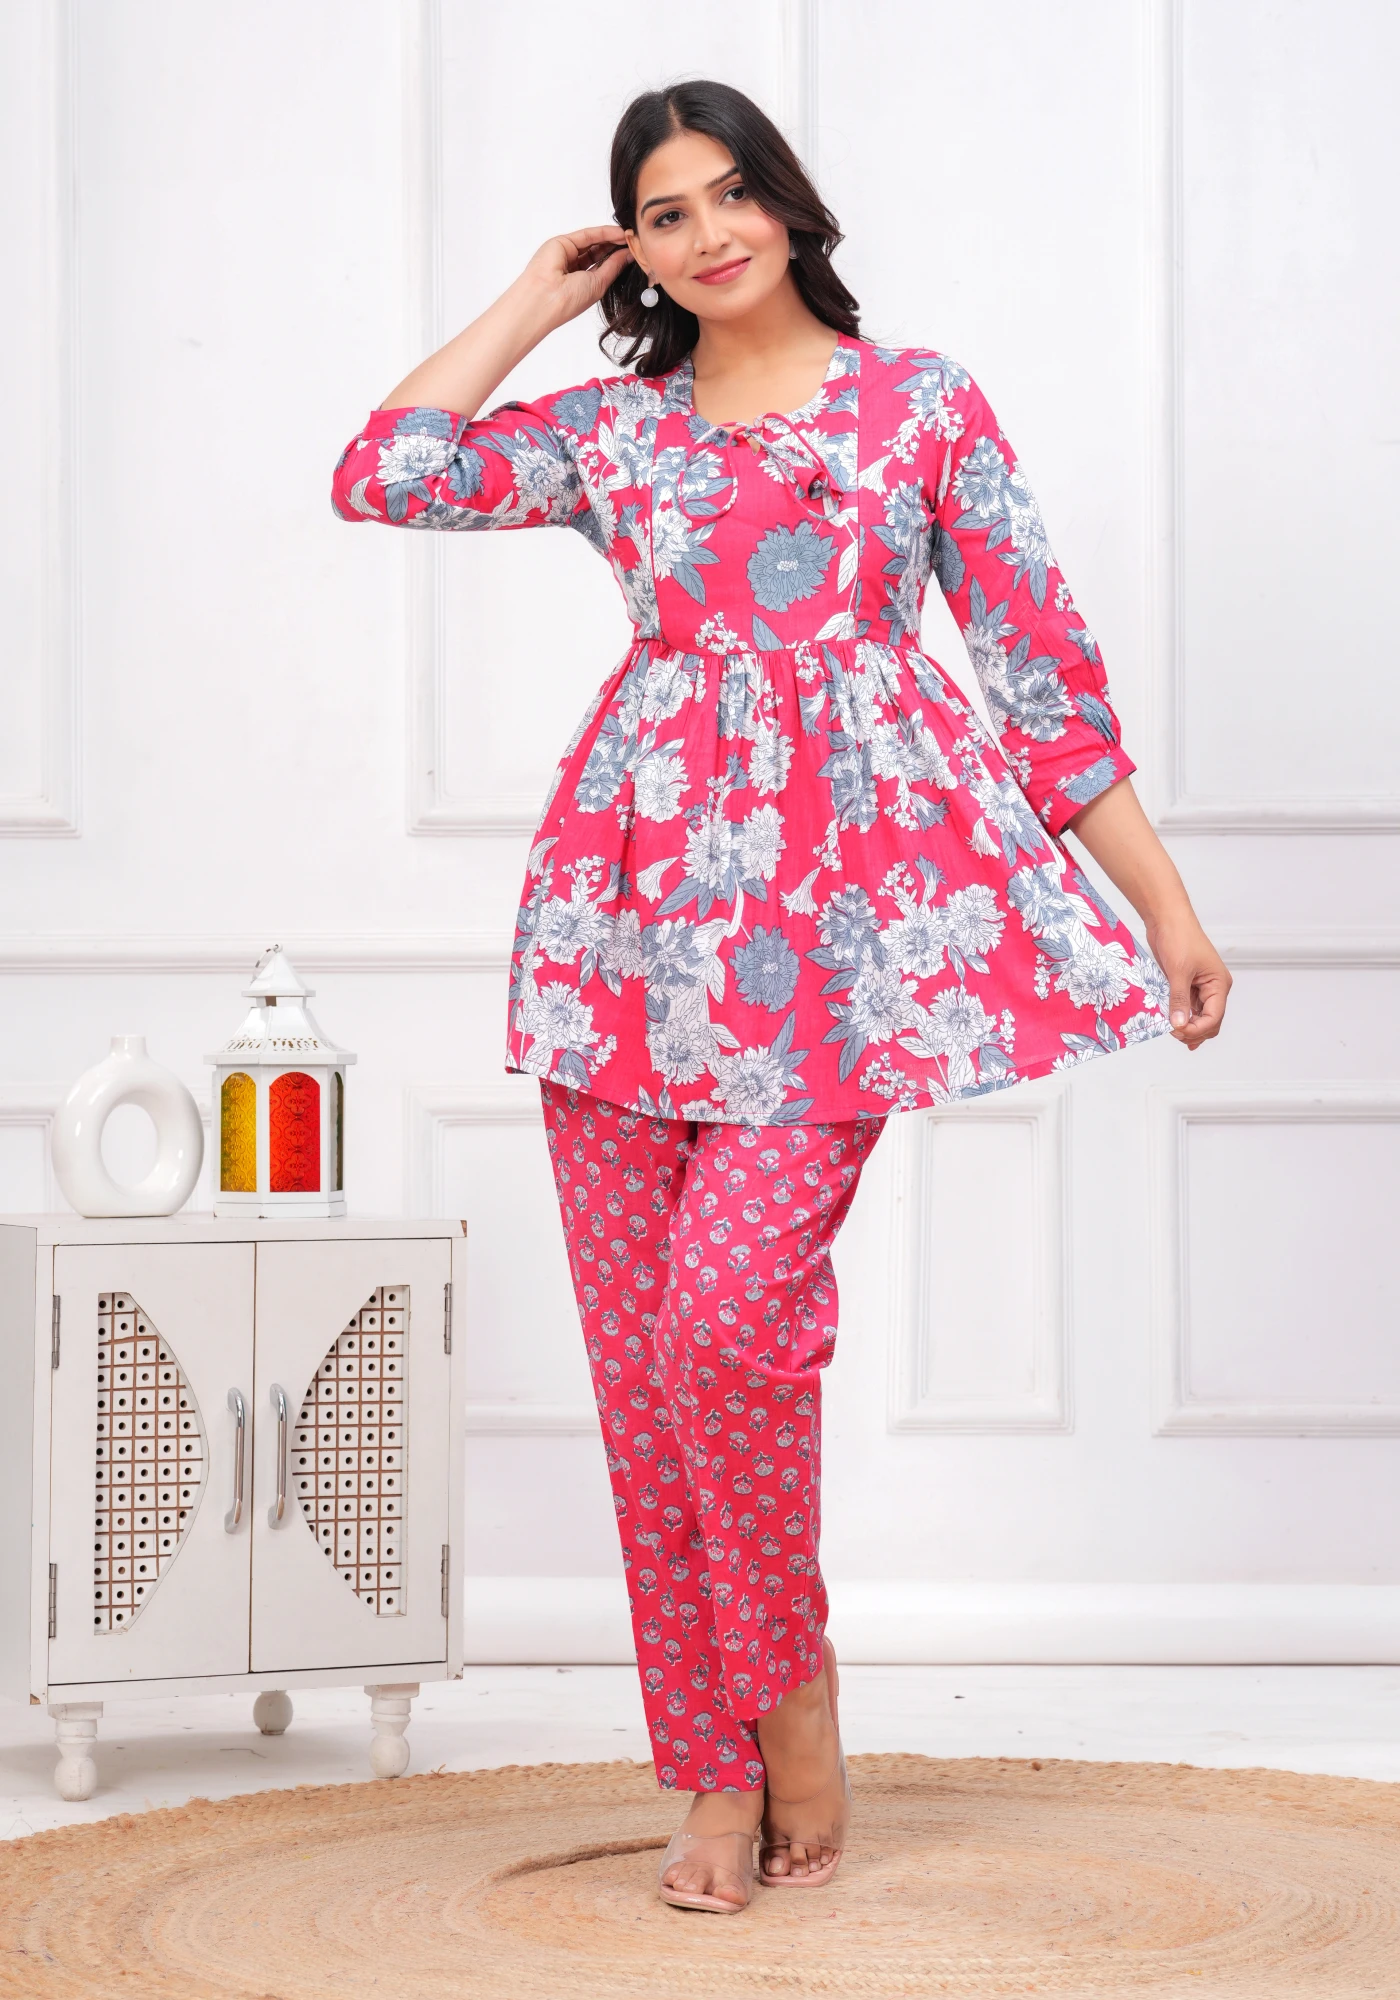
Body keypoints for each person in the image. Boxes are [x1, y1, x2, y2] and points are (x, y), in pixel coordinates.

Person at [331, 78, 1231, 1915]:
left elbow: (1044, 679)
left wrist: (1166, 909)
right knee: (642, 1372)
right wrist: (531, 303)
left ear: (792, 204)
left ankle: (790, 1690)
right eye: (665, 214)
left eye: (731, 193)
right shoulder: (617, 429)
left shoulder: (921, 406)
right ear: (635, 250)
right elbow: (388, 472)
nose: (708, 233)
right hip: (618, 941)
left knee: (726, 1322)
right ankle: (713, 1768)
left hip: (845, 950)